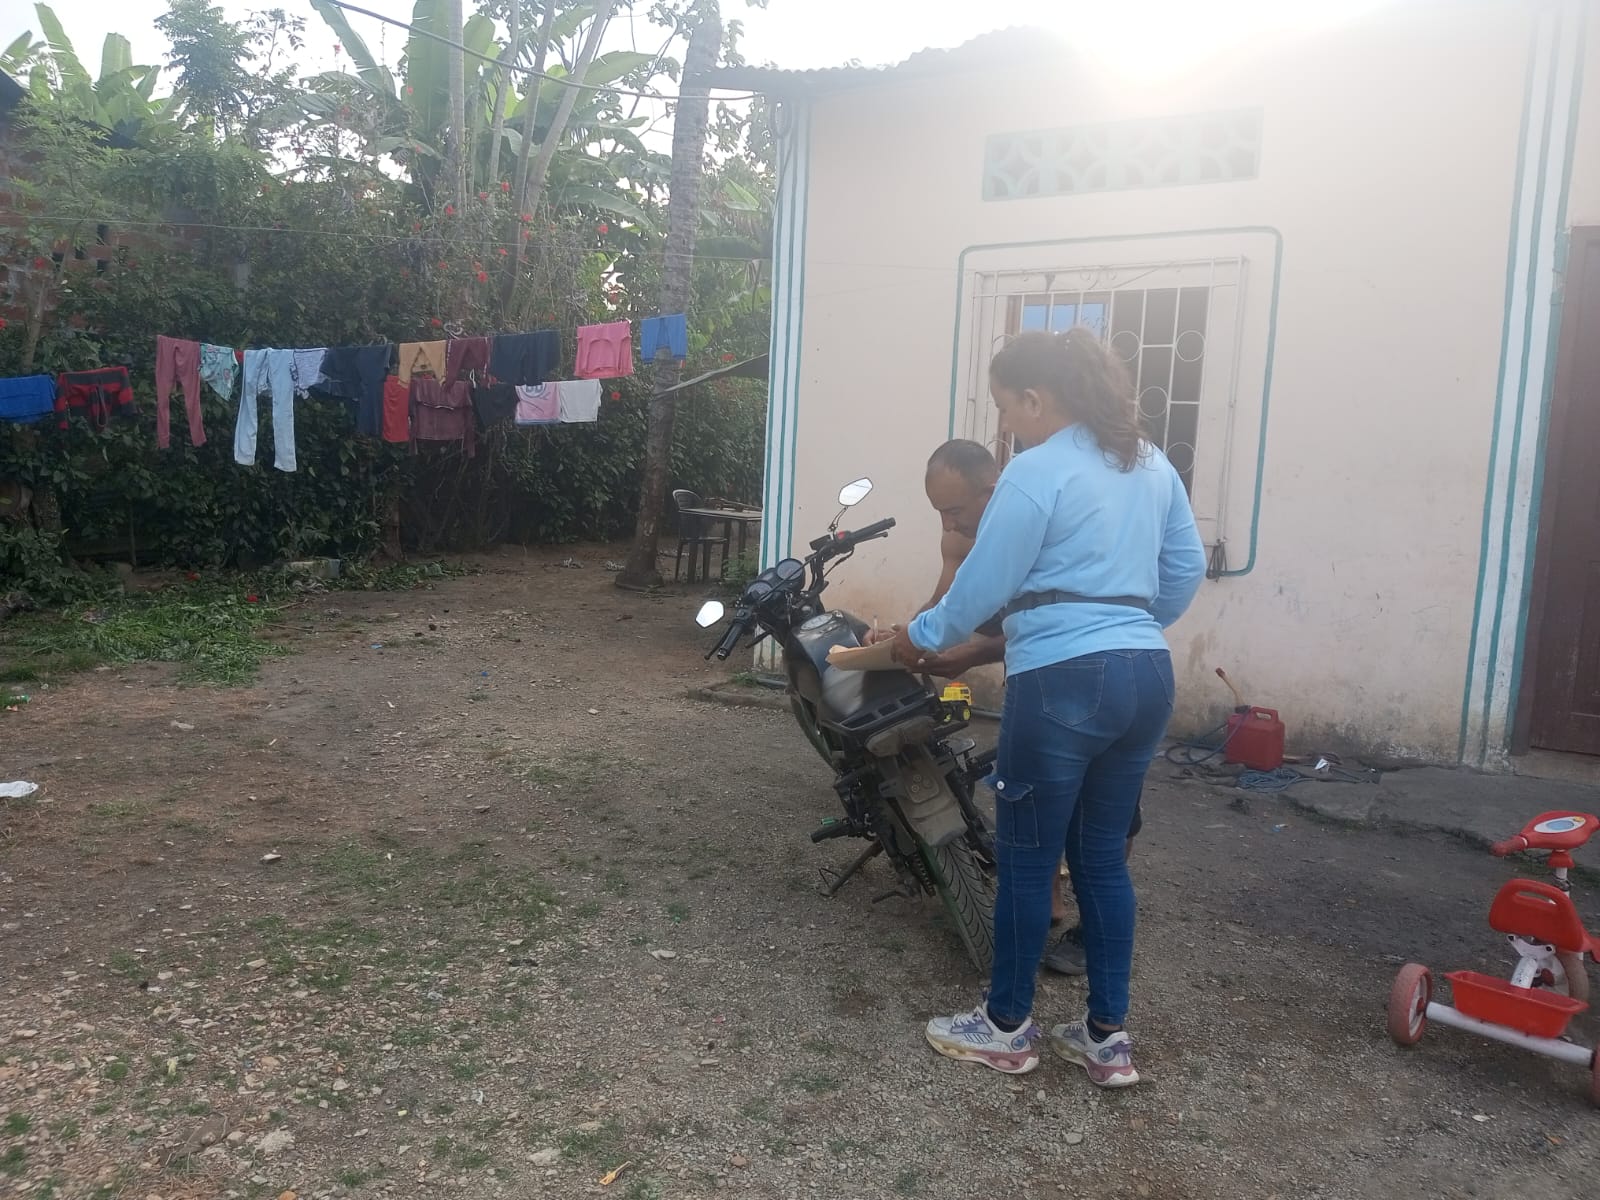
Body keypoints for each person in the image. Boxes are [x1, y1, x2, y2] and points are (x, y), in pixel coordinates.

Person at [890, 328, 1205, 1085]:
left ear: (1035, 398)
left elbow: (985, 583)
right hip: (1147, 672)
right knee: (1102, 858)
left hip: (1063, 677)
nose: (1004, 425)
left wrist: (920, 636)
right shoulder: (1149, 461)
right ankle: (1106, 1038)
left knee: (1029, 860)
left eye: (1006, 407)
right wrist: (1128, 622)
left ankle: (1005, 1026)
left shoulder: (1037, 470)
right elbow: (1185, 567)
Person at [888, 439, 1145, 976]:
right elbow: (953, 605)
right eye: (939, 513)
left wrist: (951, 647)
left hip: (1099, 670)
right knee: (1034, 797)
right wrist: (905, 636)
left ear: (991, 491)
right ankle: (1050, 907)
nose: (949, 525)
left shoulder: (1042, 519)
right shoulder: (961, 536)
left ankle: (1088, 934)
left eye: (954, 510)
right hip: (1040, 678)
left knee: (1106, 816)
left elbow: (1049, 621)